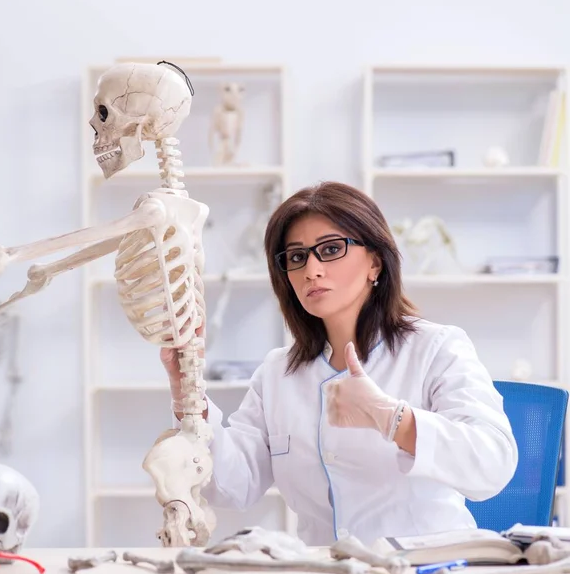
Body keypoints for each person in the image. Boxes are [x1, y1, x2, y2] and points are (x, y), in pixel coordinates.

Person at [161, 181, 518, 546]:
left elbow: (493, 464)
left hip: (423, 571)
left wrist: (393, 418)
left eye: (331, 249)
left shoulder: (436, 348)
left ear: (375, 263)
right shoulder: (276, 373)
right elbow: (234, 486)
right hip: (326, 573)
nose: (311, 270)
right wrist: (187, 389)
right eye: (296, 257)